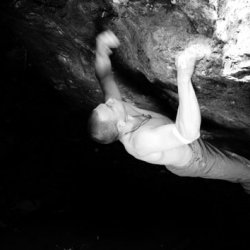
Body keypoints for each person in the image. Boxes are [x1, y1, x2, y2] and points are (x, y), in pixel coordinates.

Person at [88, 30, 250, 193]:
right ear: (121, 126)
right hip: (196, 157)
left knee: (240, 152)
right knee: (247, 172)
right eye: (108, 106)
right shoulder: (141, 142)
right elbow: (189, 133)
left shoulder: (118, 111)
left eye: (104, 104)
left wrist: (101, 49)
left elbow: (104, 76)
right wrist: (183, 76)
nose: (108, 100)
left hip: (179, 133)